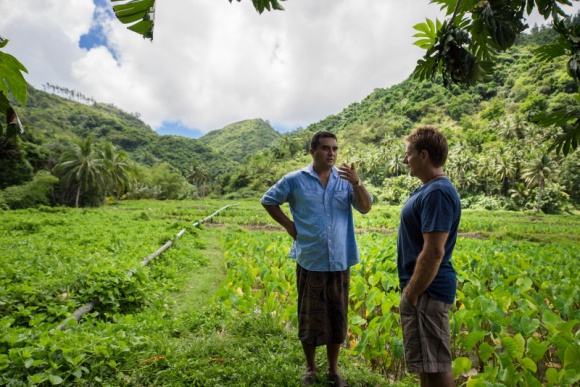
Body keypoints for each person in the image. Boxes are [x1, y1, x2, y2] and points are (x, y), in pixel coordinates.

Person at [260, 131, 372, 387]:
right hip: (310, 258)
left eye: (334, 148)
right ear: (313, 152)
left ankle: (333, 370)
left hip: (339, 260)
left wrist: (357, 182)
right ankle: (310, 368)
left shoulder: (346, 180)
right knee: (309, 315)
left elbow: (365, 207)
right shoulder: (295, 180)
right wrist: (289, 225)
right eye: (325, 148)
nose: (331, 153)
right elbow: (268, 200)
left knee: (338, 316)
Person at [397, 125, 461, 387]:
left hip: (428, 290)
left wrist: (412, 292)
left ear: (424, 155)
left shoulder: (437, 192)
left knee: (436, 365)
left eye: (408, 153)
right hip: (425, 290)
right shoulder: (429, 189)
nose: (405, 159)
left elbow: (434, 251)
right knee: (427, 364)